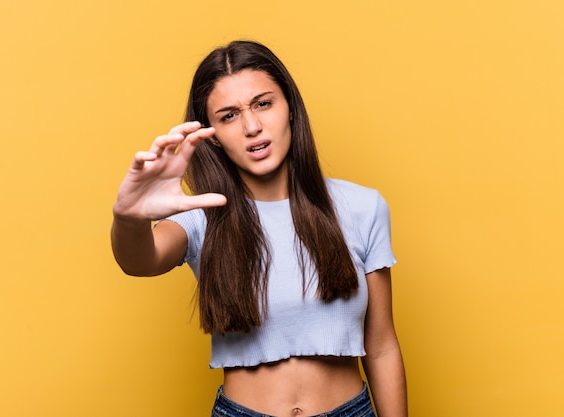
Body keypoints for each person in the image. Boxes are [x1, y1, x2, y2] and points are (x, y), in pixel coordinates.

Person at [111, 40, 407, 417]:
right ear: (211, 135)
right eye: (229, 115)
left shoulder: (363, 207)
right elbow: (138, 260)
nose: (252, 126)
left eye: (263, 103)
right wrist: (130, 217)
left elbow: (382, 346)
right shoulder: (205, 215)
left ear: (290, 109)